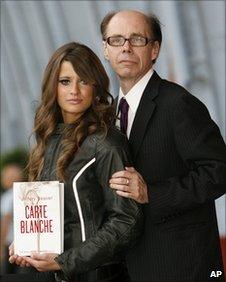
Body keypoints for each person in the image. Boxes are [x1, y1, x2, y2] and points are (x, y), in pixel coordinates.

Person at [100, 10, 226, 282]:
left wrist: (151, 194)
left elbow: (218, 172)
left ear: (154, 49)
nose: (126, 47)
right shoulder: (108, 115)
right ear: (106, 50)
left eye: (137, 39)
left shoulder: (178, 103)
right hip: (131, 265)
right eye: (116, 40)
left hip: (184, 265)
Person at [8, 42, 143, 282]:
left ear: (96, 86)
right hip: (56, 272)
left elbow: (126, 223)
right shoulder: (48, 139)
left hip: (96, 275)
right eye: (65, 81)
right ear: (53, 86)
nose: (75, 91)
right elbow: (48, 215)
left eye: (83, 81)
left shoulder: (106, 144)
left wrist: (65, 261)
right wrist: (26, 242)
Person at [0, 164, 24, 274]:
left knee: (7, 273)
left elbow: (5, 221)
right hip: (25, 242)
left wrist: (1, 245)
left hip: (10, 244)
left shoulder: (8, 196)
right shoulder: (24, 193)